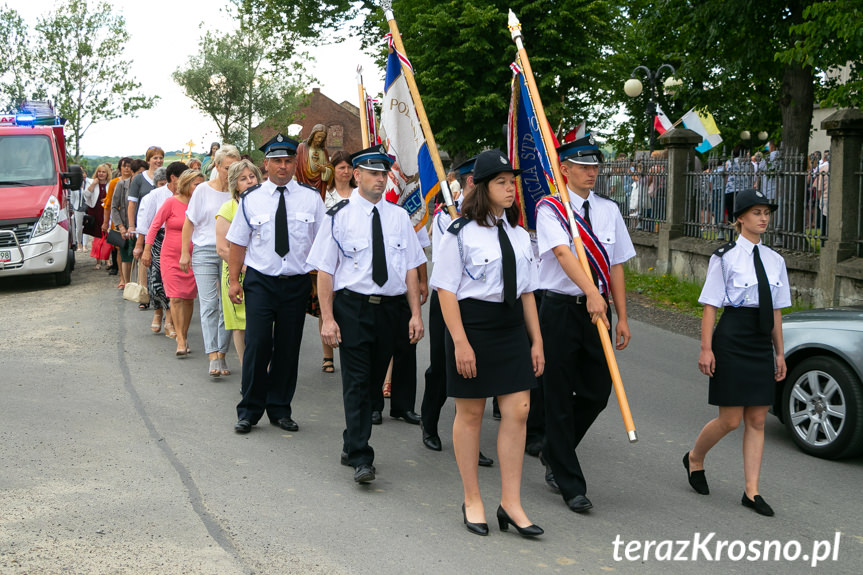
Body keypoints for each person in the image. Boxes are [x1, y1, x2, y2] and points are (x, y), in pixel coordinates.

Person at [430, 149, 543, 537]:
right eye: (501, 182)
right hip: (473, 327)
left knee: (519, 411)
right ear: (481, 187)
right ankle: (472, 497)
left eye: (512, 182)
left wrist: (537, 341)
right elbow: (445, 291)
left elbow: (527, 292)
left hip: (511, 327)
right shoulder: (457, 233)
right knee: (472, 414)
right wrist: (460, 343)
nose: (510, 189)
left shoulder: (517, 233)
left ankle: (511, 503)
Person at [307, 144, 425, 484]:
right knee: (357, 383)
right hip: (353, 306)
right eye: (373, 173)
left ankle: (350, 441)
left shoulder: (399, 217)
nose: (379, 179)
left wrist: (415, 314)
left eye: (383, 173)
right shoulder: (339, 216)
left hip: (391, 310)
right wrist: (328, 318)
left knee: (373, 383)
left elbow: (410, 269)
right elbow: (326, 272)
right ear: (356, 175)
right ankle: (361, 455)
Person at [536, 134, 635, 514]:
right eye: (582, 166)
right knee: (558, 393)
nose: (591, 172)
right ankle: (569, 480)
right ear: (565, 169)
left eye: (595, 166)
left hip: (598, 311)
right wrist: (590, 292)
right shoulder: (551, 209)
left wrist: (621, 315)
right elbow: (563, 253)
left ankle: (554, 450)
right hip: (561, 307)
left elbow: (617, 264)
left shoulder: (608, 210)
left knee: (597, 390)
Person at [684, 188, 790, 517]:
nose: (763, 218)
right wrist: (706, 349)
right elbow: (710, 307)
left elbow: (775, 313)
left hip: (760, 341)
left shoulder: (776, 261)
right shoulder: (724, 257)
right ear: (740, 218)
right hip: (731, 338)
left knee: (757, 419)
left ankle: (752, 491)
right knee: (730, 420)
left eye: (766, 212)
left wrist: (780, 354)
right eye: (756, 212)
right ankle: (694, 458)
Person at [227, 134, 325, 434]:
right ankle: (249, 410)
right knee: (257, 344)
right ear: (265, 164)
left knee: (287, 347)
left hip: (295, 283)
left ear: (295, 163)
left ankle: (280, 409)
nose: (283, 166)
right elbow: (237, 243)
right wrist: (234, 281)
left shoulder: (311, 198)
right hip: (260, 281)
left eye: (288, 161)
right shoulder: (251, 199)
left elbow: (323, 244)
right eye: (277, 161)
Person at [181, 144, 240, 377]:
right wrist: (185, 252)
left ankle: (222, 353)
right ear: (216, 166)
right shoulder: (203, 190)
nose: (231, 172)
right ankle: (212, 354)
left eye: (235, 167)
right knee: (208, 304)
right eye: (227, 168)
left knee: (228, 304)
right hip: (204, 251)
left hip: (229, 253)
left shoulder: (238, 193)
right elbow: (189, 222)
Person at [143, 169, 204, 357]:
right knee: (175, 298)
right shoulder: (171, 202)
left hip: (194, 257)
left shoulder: (201, 204)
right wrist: (147, 249)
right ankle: (180, 339)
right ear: (186, 184)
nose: (200, 188)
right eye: (196, 184)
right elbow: (154, 225)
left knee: (188, 298)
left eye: (202, 184)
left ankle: (183, 333)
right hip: (170, 256)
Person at [215, 159, 262, 371]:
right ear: (235, 183)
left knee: (262, 323)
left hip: (263, 274)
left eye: (252, 177)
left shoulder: (265, 205)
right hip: (237, 274)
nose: (249, 181)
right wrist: (244, 268)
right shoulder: (228, 208)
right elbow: (223, 248)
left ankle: (264, 368)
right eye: (243, 179)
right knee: (240, 325)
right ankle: (247, 371)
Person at [136, 162, 187, 337]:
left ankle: (170, 321)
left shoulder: (189, 196)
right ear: (173, 178)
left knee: (175, 285)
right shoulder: (156, 195)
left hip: (182, 241)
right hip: (158, 241)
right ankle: (158, 311)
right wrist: (142, 247)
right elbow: (146, 223)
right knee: (157, 281)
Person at [319, 150, 356, 373]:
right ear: (333, 170)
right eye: (341, 167)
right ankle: (327, 355)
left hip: (352, 256)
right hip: (328, 253)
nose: (346, 171)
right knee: (326, 303)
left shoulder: (358, 193)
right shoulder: (324, 194)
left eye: (349, 167)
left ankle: (349, 350)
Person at [111, 158, 146, 289]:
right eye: (139, 173)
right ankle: (126, 283)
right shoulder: (122, 184)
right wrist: (120, 227)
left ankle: (141, 284)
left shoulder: (146, 185)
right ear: (132, 172)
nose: (141, 176)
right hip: (126, 226)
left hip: (142, 226)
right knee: (126, 256)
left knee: (142, 256)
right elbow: (114, 207)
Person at [103, 158, 132, 275]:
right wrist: (105, 222)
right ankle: (121, 275)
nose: (126, 168)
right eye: (124, 166)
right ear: (120, 168)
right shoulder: (115, 182)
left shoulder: (135, 181)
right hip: (118, 219)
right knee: (119, 248)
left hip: (130, 219)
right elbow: (108, 204)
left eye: (129, 166)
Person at [295, 124, 333, 197]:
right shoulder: (302, 148)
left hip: (319, 187)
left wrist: (324, 169)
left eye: (322, 138)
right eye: (318, 136)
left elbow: (330, 168)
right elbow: (296, 166)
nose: (320, 140)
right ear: (313, 135)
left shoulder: (324, 152)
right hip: (303, 183)